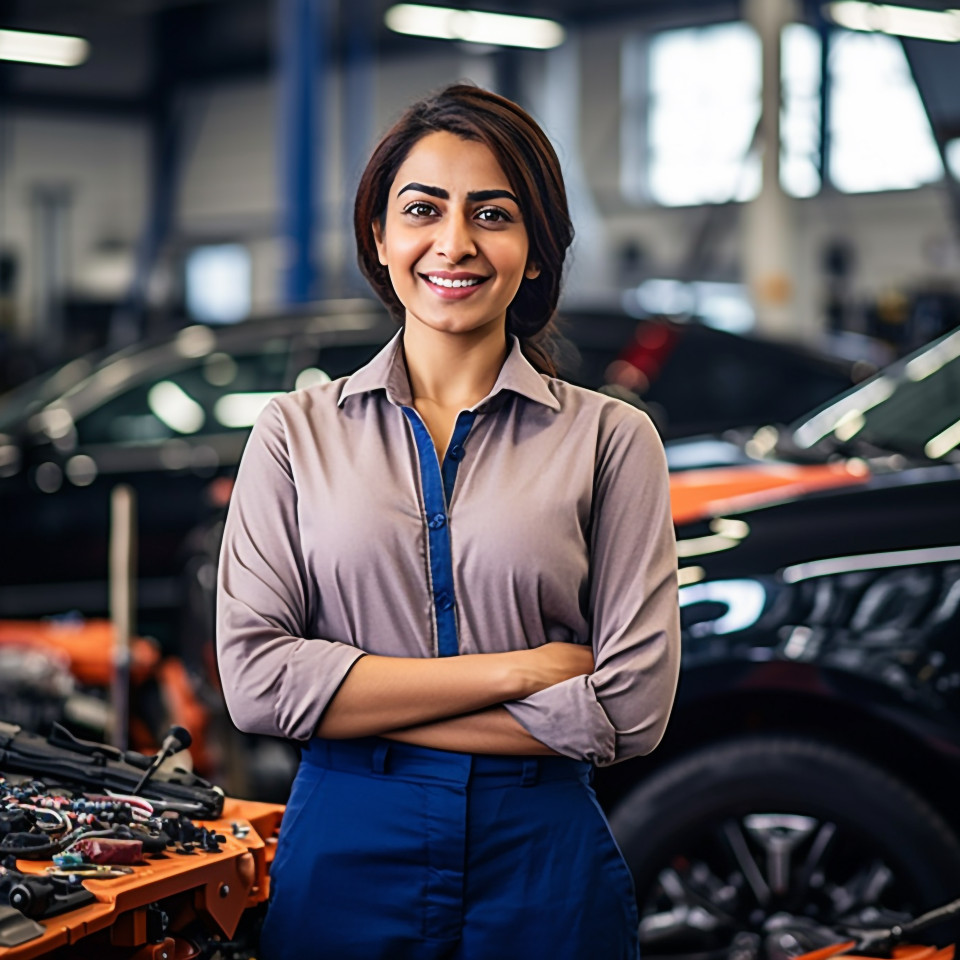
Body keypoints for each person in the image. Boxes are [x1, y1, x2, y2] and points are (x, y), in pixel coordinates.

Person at [216, 83, 680, 960]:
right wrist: (532, 671)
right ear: (381, 239)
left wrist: (343, 704)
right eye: (422, 209)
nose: (455, 242)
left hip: (541, 851)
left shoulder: (612, 439)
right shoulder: (294, 431)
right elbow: (256, 682)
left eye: (492, 214)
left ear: (536, 251)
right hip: (346, 845)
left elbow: (629, 709)